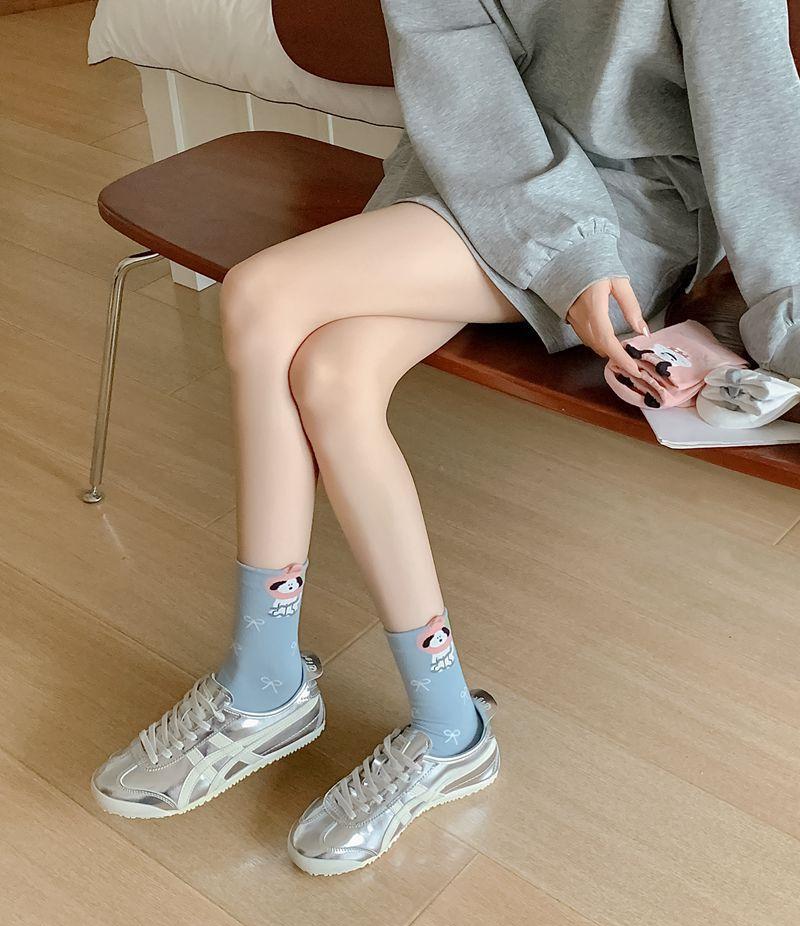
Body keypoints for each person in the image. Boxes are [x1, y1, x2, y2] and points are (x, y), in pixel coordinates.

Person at [90, 0, 800, 875]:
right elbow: (461, 82)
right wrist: (557, 246)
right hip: (468, 172)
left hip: (625, 212)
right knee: (331, 377)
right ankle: (448, 726)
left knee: (261, 296)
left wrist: (786, 321)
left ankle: (263, 680)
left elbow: (761, 125)